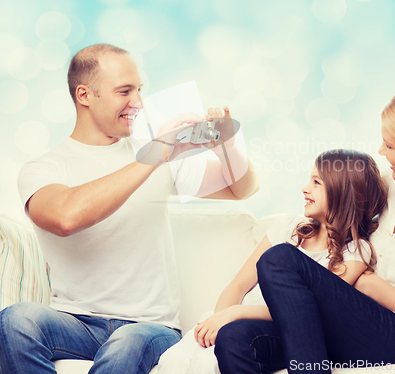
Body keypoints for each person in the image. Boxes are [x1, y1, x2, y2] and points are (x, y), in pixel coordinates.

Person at [0, 44, 259, 374]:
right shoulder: (43, 169)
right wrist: (155, 154)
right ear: (84, 95)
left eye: (139, 90)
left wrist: (228, 145)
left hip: (150, 329)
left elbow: (243, 189)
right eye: (125, 91)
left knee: (126, 345)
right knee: (15, 320)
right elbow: (66, 217)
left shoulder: (157, 155)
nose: (137, 102)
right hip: (76, 323)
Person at [215, 82, 395, 374]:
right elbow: (341, 197)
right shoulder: (394, 185)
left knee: (279, 259)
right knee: (234, 339)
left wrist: (373, 286)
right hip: (354, 319)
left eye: (390, 146)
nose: (380, 151)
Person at [157, 149, 388, 374]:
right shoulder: (289, 228)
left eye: (316, 182)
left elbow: (306, 311)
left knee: (235, 340)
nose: (305, 188)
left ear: (343, 191)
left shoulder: (356, 252)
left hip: (281, 332)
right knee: (191, 357)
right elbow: (238, 285)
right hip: (237, 320)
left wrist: (236, 314)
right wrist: (220, 319)